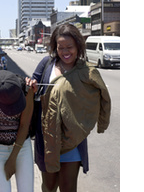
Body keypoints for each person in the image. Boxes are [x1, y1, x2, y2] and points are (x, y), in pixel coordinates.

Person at [28, 23, 111, 192]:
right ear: (55, 47)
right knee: (49, 187)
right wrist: (30, 85)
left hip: (73, 140)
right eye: (61, 47)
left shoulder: (86, 72)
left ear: (78, 46)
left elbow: (103, 97)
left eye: (70, 47)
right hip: (48, 138)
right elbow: (30, 89)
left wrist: (101, 122)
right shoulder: (47, 65)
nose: (65, 52)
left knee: (68, 187)